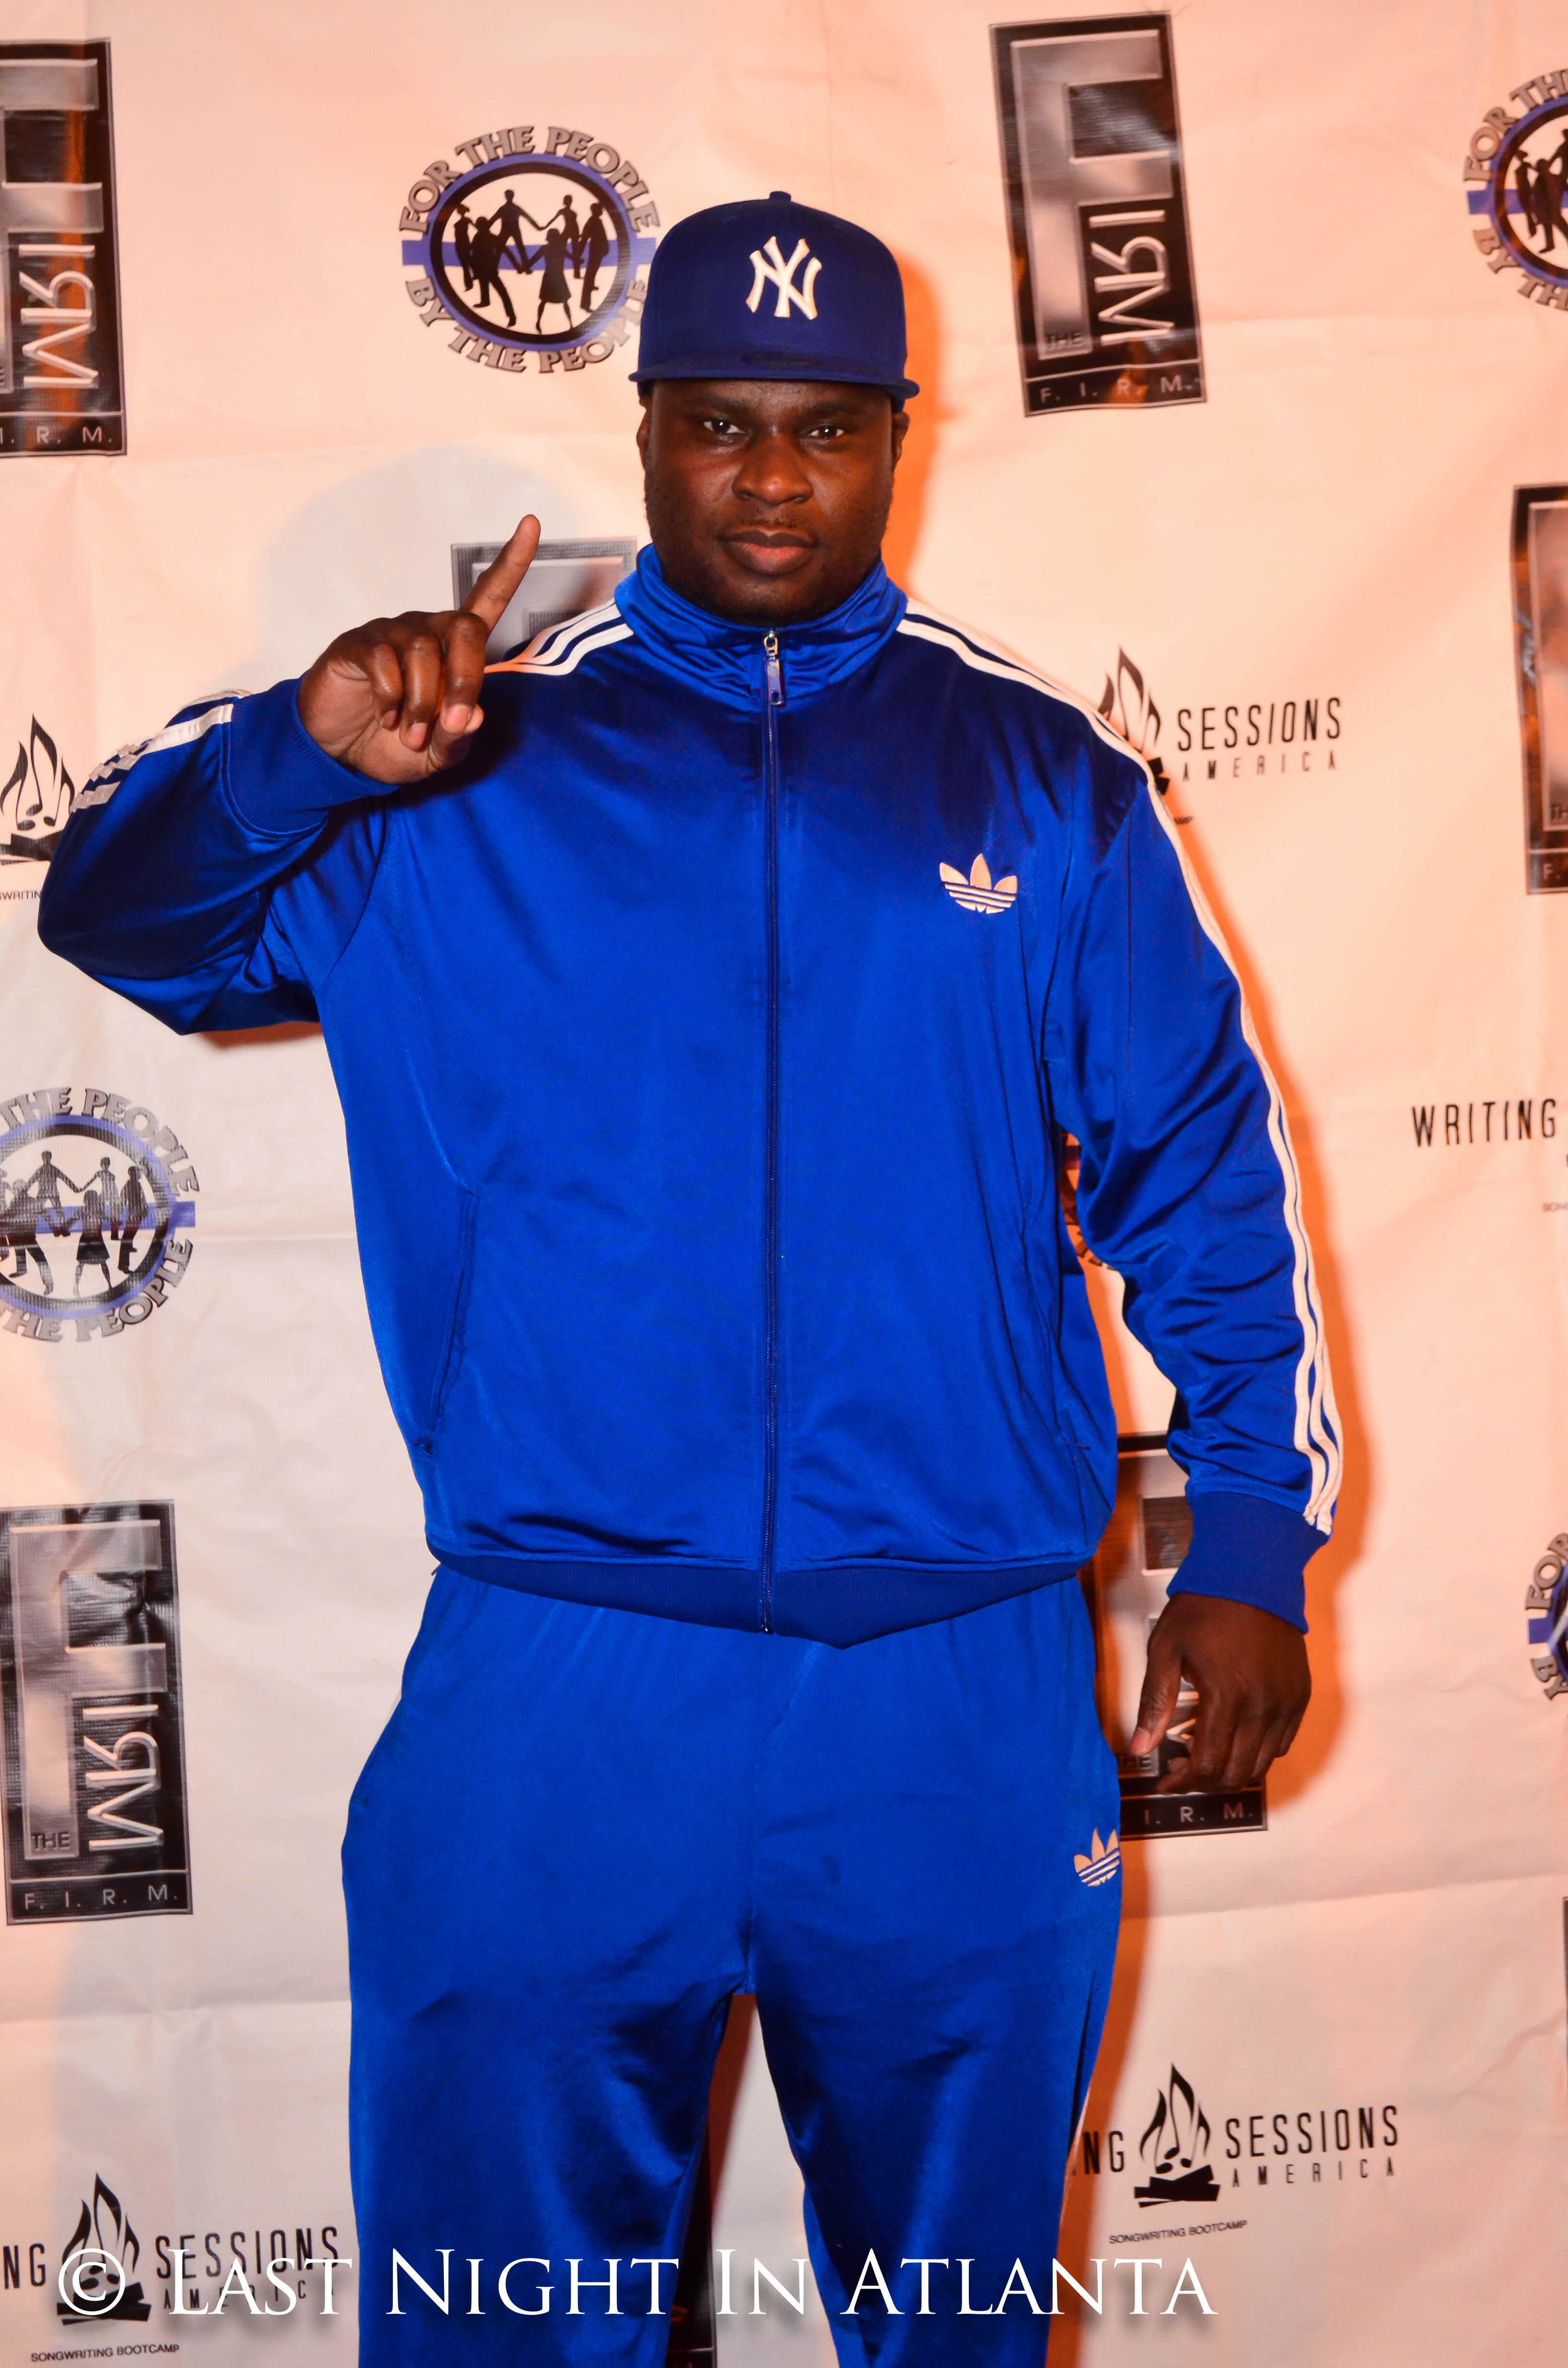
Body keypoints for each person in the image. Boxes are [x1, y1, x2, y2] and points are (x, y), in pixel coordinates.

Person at [39, 192, 1338, 2363]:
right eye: (720, 423)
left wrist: (1258, 1546)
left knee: (956, 2322)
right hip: (561, 1676)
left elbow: (1204, 1181)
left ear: (899, 435)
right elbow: (121, 918)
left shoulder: (1042, 779)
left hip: (954, 1683)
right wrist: (294, 749)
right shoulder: (450, 753)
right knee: (498, 2320)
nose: (770, 477)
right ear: (641, 427)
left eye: (824, 429)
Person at [577, 196, 611, 313]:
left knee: (592, 275)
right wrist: (578, 254)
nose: (602, 212)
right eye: (601, 210)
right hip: (595, 252)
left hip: (599, 252)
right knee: (589, 276)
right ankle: (585, 304)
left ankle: (590, 287)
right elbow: (584, 238)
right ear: (596, 211)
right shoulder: (592, 221)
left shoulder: (597, 220)